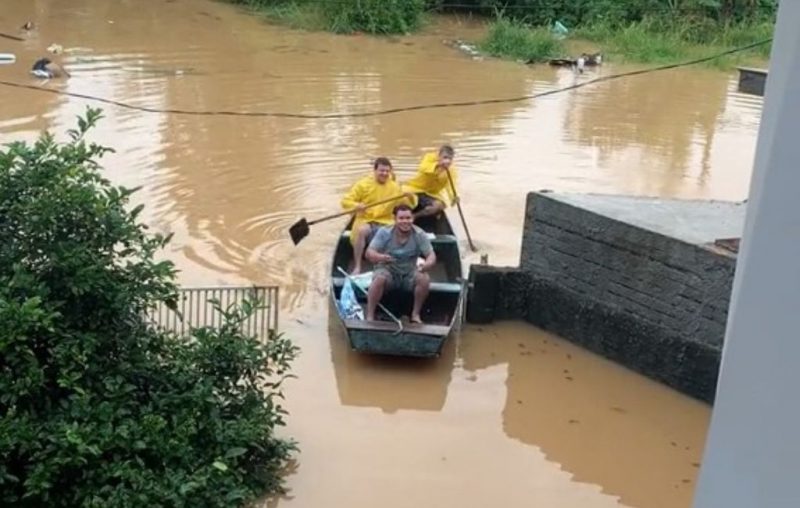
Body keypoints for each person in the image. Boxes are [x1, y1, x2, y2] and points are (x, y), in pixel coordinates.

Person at [341, 157, 416, 274]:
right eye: (382, 170)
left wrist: (410, 196)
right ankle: (357, 266)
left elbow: (410, 205)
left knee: (398, 232)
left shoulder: (395, 186)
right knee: (361, 231)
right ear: (375, 170)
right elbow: (345, 201)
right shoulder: (363, 184)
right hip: (366, 219)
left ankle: (392, 264)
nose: (384, 174)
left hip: (386, 220)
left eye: (387, 171)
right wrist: (356, 205)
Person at [364, 204, 436, 324]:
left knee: (424, 279)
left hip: (409, 272)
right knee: (379, 279)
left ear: (412, 218)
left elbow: (431, 255)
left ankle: (415, 314)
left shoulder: (419, 234)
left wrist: (427, 265)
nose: (405, 222)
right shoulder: (384, 232)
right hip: (388, 271)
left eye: (408, 218)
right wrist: (380, 257)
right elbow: (369, 253)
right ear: (395, 219)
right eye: (401, 218)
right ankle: (370, 315)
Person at [402, 144, 459, 220]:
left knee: (439, 206)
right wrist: (438, 165)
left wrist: (454, 197)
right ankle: (402, 216)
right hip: (415, 188)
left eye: (450, 159)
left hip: (432, 194)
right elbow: (422, 168)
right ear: (439, 156)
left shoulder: (451, 171)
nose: (447, 161)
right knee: (403, 198)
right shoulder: (429, 157)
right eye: (445, 157)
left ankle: (414, 216)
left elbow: (451, 187)